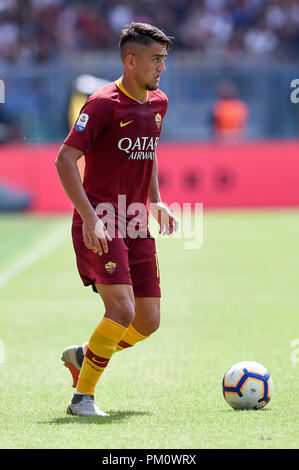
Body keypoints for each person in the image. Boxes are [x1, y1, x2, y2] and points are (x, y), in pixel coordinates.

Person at [55, 22, 179, 417]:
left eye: (164, 59)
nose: (162, 67)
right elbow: (65, 160)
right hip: (102, 222)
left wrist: (155, 201)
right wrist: (89, 217)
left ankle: (85, 356)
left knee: (148, 320)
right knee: (122, 311)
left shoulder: (158, 101)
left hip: (136, 221)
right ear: (131, 61)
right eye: (155, 59)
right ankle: (82, 399)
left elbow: (149, 151)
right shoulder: (103, 103)